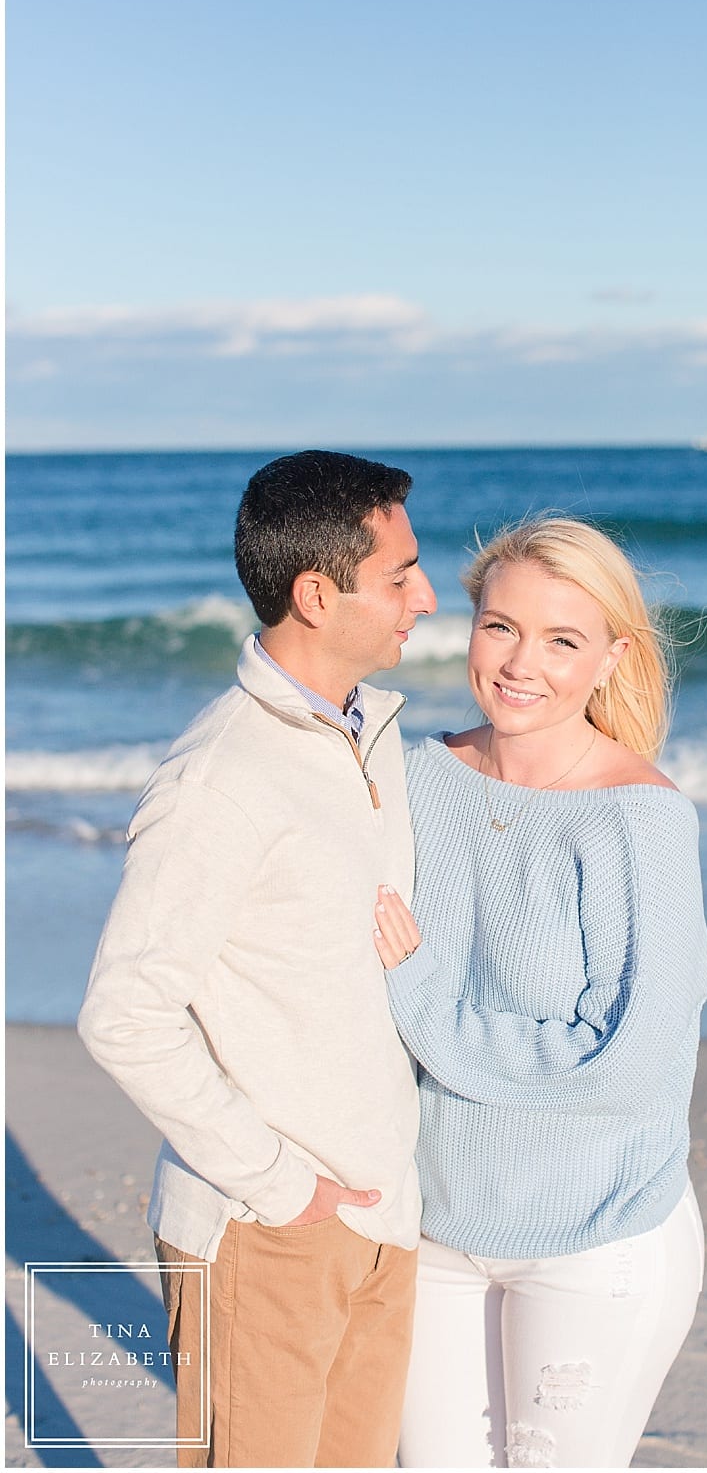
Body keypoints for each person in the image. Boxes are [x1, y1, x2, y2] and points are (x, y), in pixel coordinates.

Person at [77, 450, 437, 1467]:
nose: (422, 593)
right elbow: (124, 1013)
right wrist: (281, 1184)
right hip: (269, 1225)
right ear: (317, 594)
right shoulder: (219, 778)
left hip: (379, 1217)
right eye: (398, 574)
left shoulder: (374, 736)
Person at [373, 516, 707, 1468]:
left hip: (596, 1234)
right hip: (435, 1221)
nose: (523, 663)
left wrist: (420, 996)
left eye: (564, 640)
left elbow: (624, 1058)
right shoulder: (413, 776)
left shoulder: (638, 822)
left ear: (612, 658)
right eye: (500, 627)